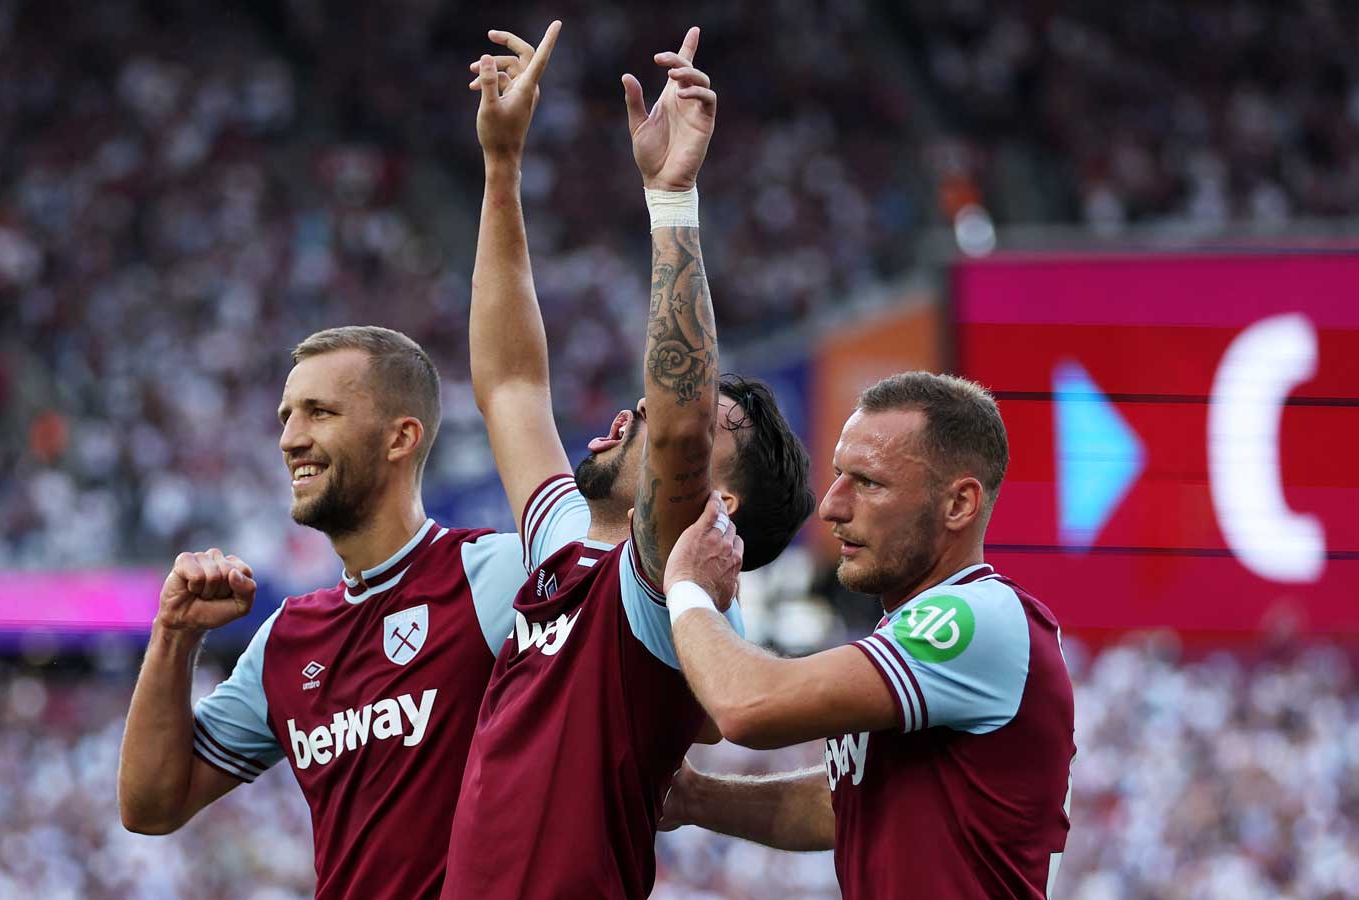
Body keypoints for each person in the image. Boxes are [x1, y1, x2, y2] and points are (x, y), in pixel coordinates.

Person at [439, 24, 813, 900]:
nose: (634, 409)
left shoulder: (659, 600)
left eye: (677, 420)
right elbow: (510, 386)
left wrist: (673, 197)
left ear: (714, 503)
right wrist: (501, 167)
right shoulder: (570, 540)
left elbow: (679, 428)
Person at [117, 326, 540, 900]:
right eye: (286, 416)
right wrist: (174, 634)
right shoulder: (285, 642)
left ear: (400, 438)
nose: (290, 439)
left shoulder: (503, 574)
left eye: (320, 412)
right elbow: (150, 806)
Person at [659, 372, 1075, 898]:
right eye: (837, 475)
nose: (831, 505)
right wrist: (697, 798)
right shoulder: (916, 633)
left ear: (959, 505)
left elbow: (748, 706)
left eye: (869, 482)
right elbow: (847, 805)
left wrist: (686, 584)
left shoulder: (976, 615)